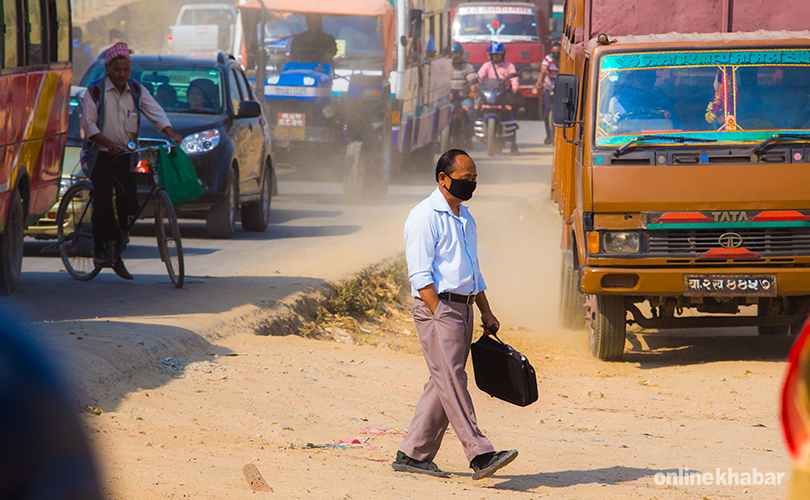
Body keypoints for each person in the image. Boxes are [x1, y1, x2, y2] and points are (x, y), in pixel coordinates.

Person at [393, 149, 518, 480]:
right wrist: (439, 312)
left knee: (442, 380)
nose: (471, 185)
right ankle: (480, 454)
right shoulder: (424, 216)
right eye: (466, 179)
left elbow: (472, 270)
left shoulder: (465, 217)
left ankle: (412, 455)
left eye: (475, 179)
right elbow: (420, 276)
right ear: (443, 179)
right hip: (439, 308)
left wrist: (486, 311)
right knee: (452, 379)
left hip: (464, 308)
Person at [81, 43, 183, 280]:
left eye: (126, 69)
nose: (122, 74)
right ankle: (100, 250)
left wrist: (169, 132)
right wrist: (107, 143)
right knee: (103, 200)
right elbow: (89, 126)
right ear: (107, 68)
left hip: (126, 157)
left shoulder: (136, 90)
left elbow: (155, 112)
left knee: (129, 204)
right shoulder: (94, 92)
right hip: (101, 156)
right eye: (117, 69)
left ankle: (117, 248)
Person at [477, 42, 520, 154]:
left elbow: (514, 78)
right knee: (476, 107)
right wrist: (475, 86)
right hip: (489, 93)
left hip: (504, 94)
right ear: (491, 55)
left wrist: (514, 87)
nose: (496, 56)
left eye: (498, 54)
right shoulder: (486, 65)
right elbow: (479, 77)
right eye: (494, 54)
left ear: (503, 54)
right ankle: (477, 132)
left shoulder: (509, 65)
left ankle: (513, 144)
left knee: (511, 114)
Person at [450, 41, 478, 145]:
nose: (454, 55)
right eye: (452, 53)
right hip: (449, 98)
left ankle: (469, 135)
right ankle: (437, 136)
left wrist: (472, 91)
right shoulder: (445, 65)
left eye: (456, 53)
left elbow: (472, 80)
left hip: (463, 97)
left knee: (470, 109)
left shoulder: (467, 66)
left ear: (461, 54)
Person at [534, 41, 560, 144]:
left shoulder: (565, 59)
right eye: (554, 53)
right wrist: (539, 81)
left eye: (558, 52)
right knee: (547, 110)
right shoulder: (547, 59)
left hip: (560, 87)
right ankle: (548, 135)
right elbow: (543, 72)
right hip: (549, 87)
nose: (556, 55)